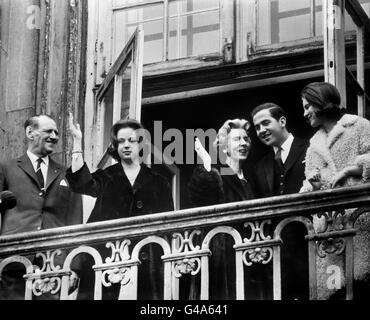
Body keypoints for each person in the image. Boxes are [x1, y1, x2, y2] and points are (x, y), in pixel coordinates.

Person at [66, 113, 174, 299]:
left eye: (131, 140)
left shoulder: (159, 182)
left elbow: (169, 227)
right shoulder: (106, 176)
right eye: (121, 141)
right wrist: (77, 142)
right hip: (107, 259)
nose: (126, 145)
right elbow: (81, 184)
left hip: (148, 262)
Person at [300, 81, 370, 299]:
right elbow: (310, 184)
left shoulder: (358, 126)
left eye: (307, 107)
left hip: (360, 221)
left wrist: (350, 170)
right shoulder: (314, 144)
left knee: (362, 281)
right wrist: (313, 184)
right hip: (330, 229)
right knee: (335, 290)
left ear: (321, 102)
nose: (304, 114)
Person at [0, 114, 83, 299]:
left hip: (55, 264)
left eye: (56, 132)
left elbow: (76, 219)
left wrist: (75, 266)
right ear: (30, 132)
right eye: (48, 131)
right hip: (12, 262)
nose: (54, 136)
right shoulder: (7, 168)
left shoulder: (66, 173)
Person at [187, 119, 256, 299]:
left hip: (252, 254)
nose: (243, 143)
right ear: (224, 148)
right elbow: (201, 199)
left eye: (246, 139)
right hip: (222, 255)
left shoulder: (253, 179)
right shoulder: (215, 174)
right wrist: (208, 163)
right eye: (237, 139)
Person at [251, 103, 309, 300]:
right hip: (280, 252)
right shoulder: (261, 167)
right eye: (257, 127)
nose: (261, 130)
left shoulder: (310, 148)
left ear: (282, 121)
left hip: (311, 240)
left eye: (265, 123)